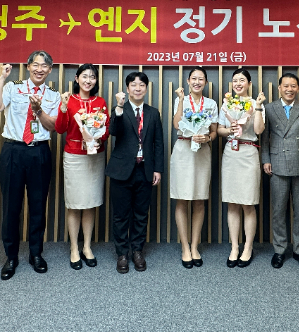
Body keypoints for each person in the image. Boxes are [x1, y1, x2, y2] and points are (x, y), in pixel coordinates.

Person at [0, 50, 61, 281]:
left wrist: (38, 110)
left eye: (45, 66)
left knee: (38, 206)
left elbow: (53, 126)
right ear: (28, 66)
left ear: (50, 70)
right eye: (36, 64)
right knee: (11, 206)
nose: (40, 69)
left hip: (39, 151)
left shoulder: (53, 95)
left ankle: (36, 254)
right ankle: (11, 257)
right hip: (13, 151)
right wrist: (1, 78)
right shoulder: (13, 87)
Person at [105, 72, 164, 274]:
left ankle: (137, 250)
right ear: (127, 88)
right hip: (121, 170)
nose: (137, 88)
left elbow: (158, 143)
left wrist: (158, 169)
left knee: (141, 215)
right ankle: (122, 253)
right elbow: (113, 131)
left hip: (145, 170)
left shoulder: (153, 113)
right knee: (121, 215)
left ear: (146, 89)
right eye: (133, 85)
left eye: (141, 85)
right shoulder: (120, 109)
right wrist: (119, 108)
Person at [261, 73, 299, 270]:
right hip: (277, 162)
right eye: (285, 85)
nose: (289, 89)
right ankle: (279, 250)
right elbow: (265, 138)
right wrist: (266, 160)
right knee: (278, 210)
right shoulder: (269, 108)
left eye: (293, 86)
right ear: (279, 88)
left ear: (298, 88)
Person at [55, 64, 109, 270]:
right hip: (75, 156)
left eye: (92, 77)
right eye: (84, 76)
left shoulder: (100, 102)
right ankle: (74, 248)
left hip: (95, 155)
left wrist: (97, 137)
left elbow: (107, 129)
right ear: (77, 79)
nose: (88, 80)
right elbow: (60, 129)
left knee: (90, 202)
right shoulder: (70, 100)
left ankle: (87, 247)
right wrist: (62, 108)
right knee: (75, 203)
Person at [217, 68, 266, 268]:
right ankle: (234, 247)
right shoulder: (227, 104)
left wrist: (259, 108)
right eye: (235, 80)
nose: (238, 83)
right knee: (232, 202)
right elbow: (220, 129)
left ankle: (248, 247)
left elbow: (259, 130)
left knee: (248, 203)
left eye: (242, 80)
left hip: (248, 151)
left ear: (249, 84)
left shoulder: (255, 104)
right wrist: (231, 128)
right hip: (231, 152)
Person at [170, 66, 218, 268]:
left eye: (201, 79)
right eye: (194, 78)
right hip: (183, 149)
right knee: (182, 199)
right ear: (188, 81)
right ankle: (184, 247)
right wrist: (181, 100)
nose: (197, 82)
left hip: (202, 152)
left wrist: (207, 137)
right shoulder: (180, 100)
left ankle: (195, 246)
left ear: (206, 83)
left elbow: (215, 132)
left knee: (199, 200)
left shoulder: (211, 103)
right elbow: (175, 124)